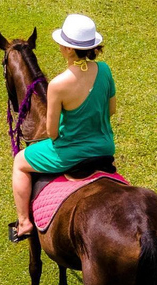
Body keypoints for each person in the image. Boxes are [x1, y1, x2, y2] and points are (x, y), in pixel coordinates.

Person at [9, 14, 117, 241]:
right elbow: (111, 110)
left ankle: (25, 223)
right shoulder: (105, 70)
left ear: (68, 49)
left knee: (20, 163)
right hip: (104, 148)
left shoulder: (58, 85)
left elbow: (52, 133)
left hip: (70, 153)